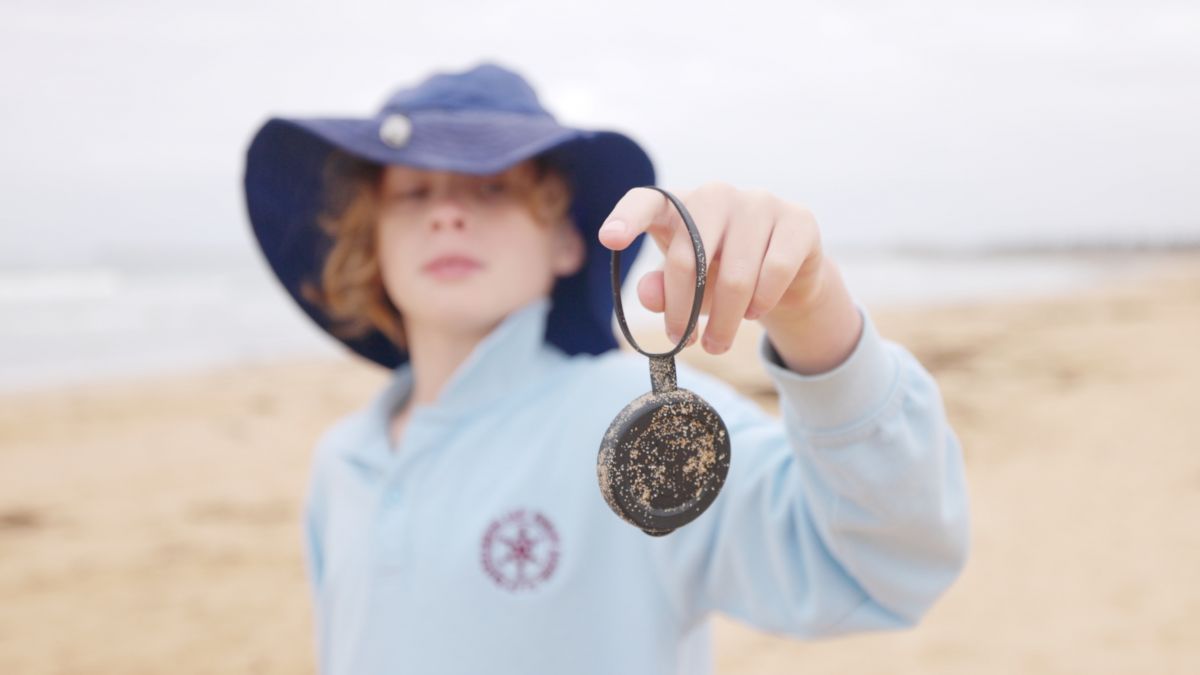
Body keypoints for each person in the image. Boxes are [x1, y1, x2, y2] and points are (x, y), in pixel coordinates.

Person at [242, 61, 970, 675]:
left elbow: (884, 565)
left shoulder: (632, 418)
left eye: (493, 186)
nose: (448, 214)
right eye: (413, 192)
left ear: (568, 241)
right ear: (372, 244)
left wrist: (813, 312)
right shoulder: (345, 459)